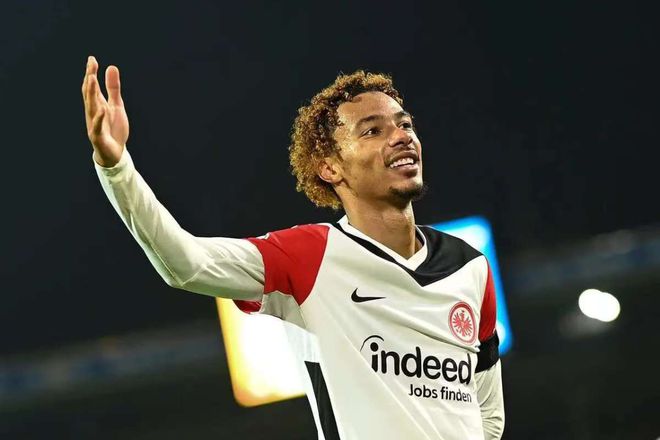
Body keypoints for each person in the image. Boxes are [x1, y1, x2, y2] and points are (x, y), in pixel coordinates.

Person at [82, 55, 504, 440]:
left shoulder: (470, 267)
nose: (401, 137)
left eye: (405, 124)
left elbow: (488, 415)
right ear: (330, 168)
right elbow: (185, 263)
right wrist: (116, 167)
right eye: (373, 130)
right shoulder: (308, 257)